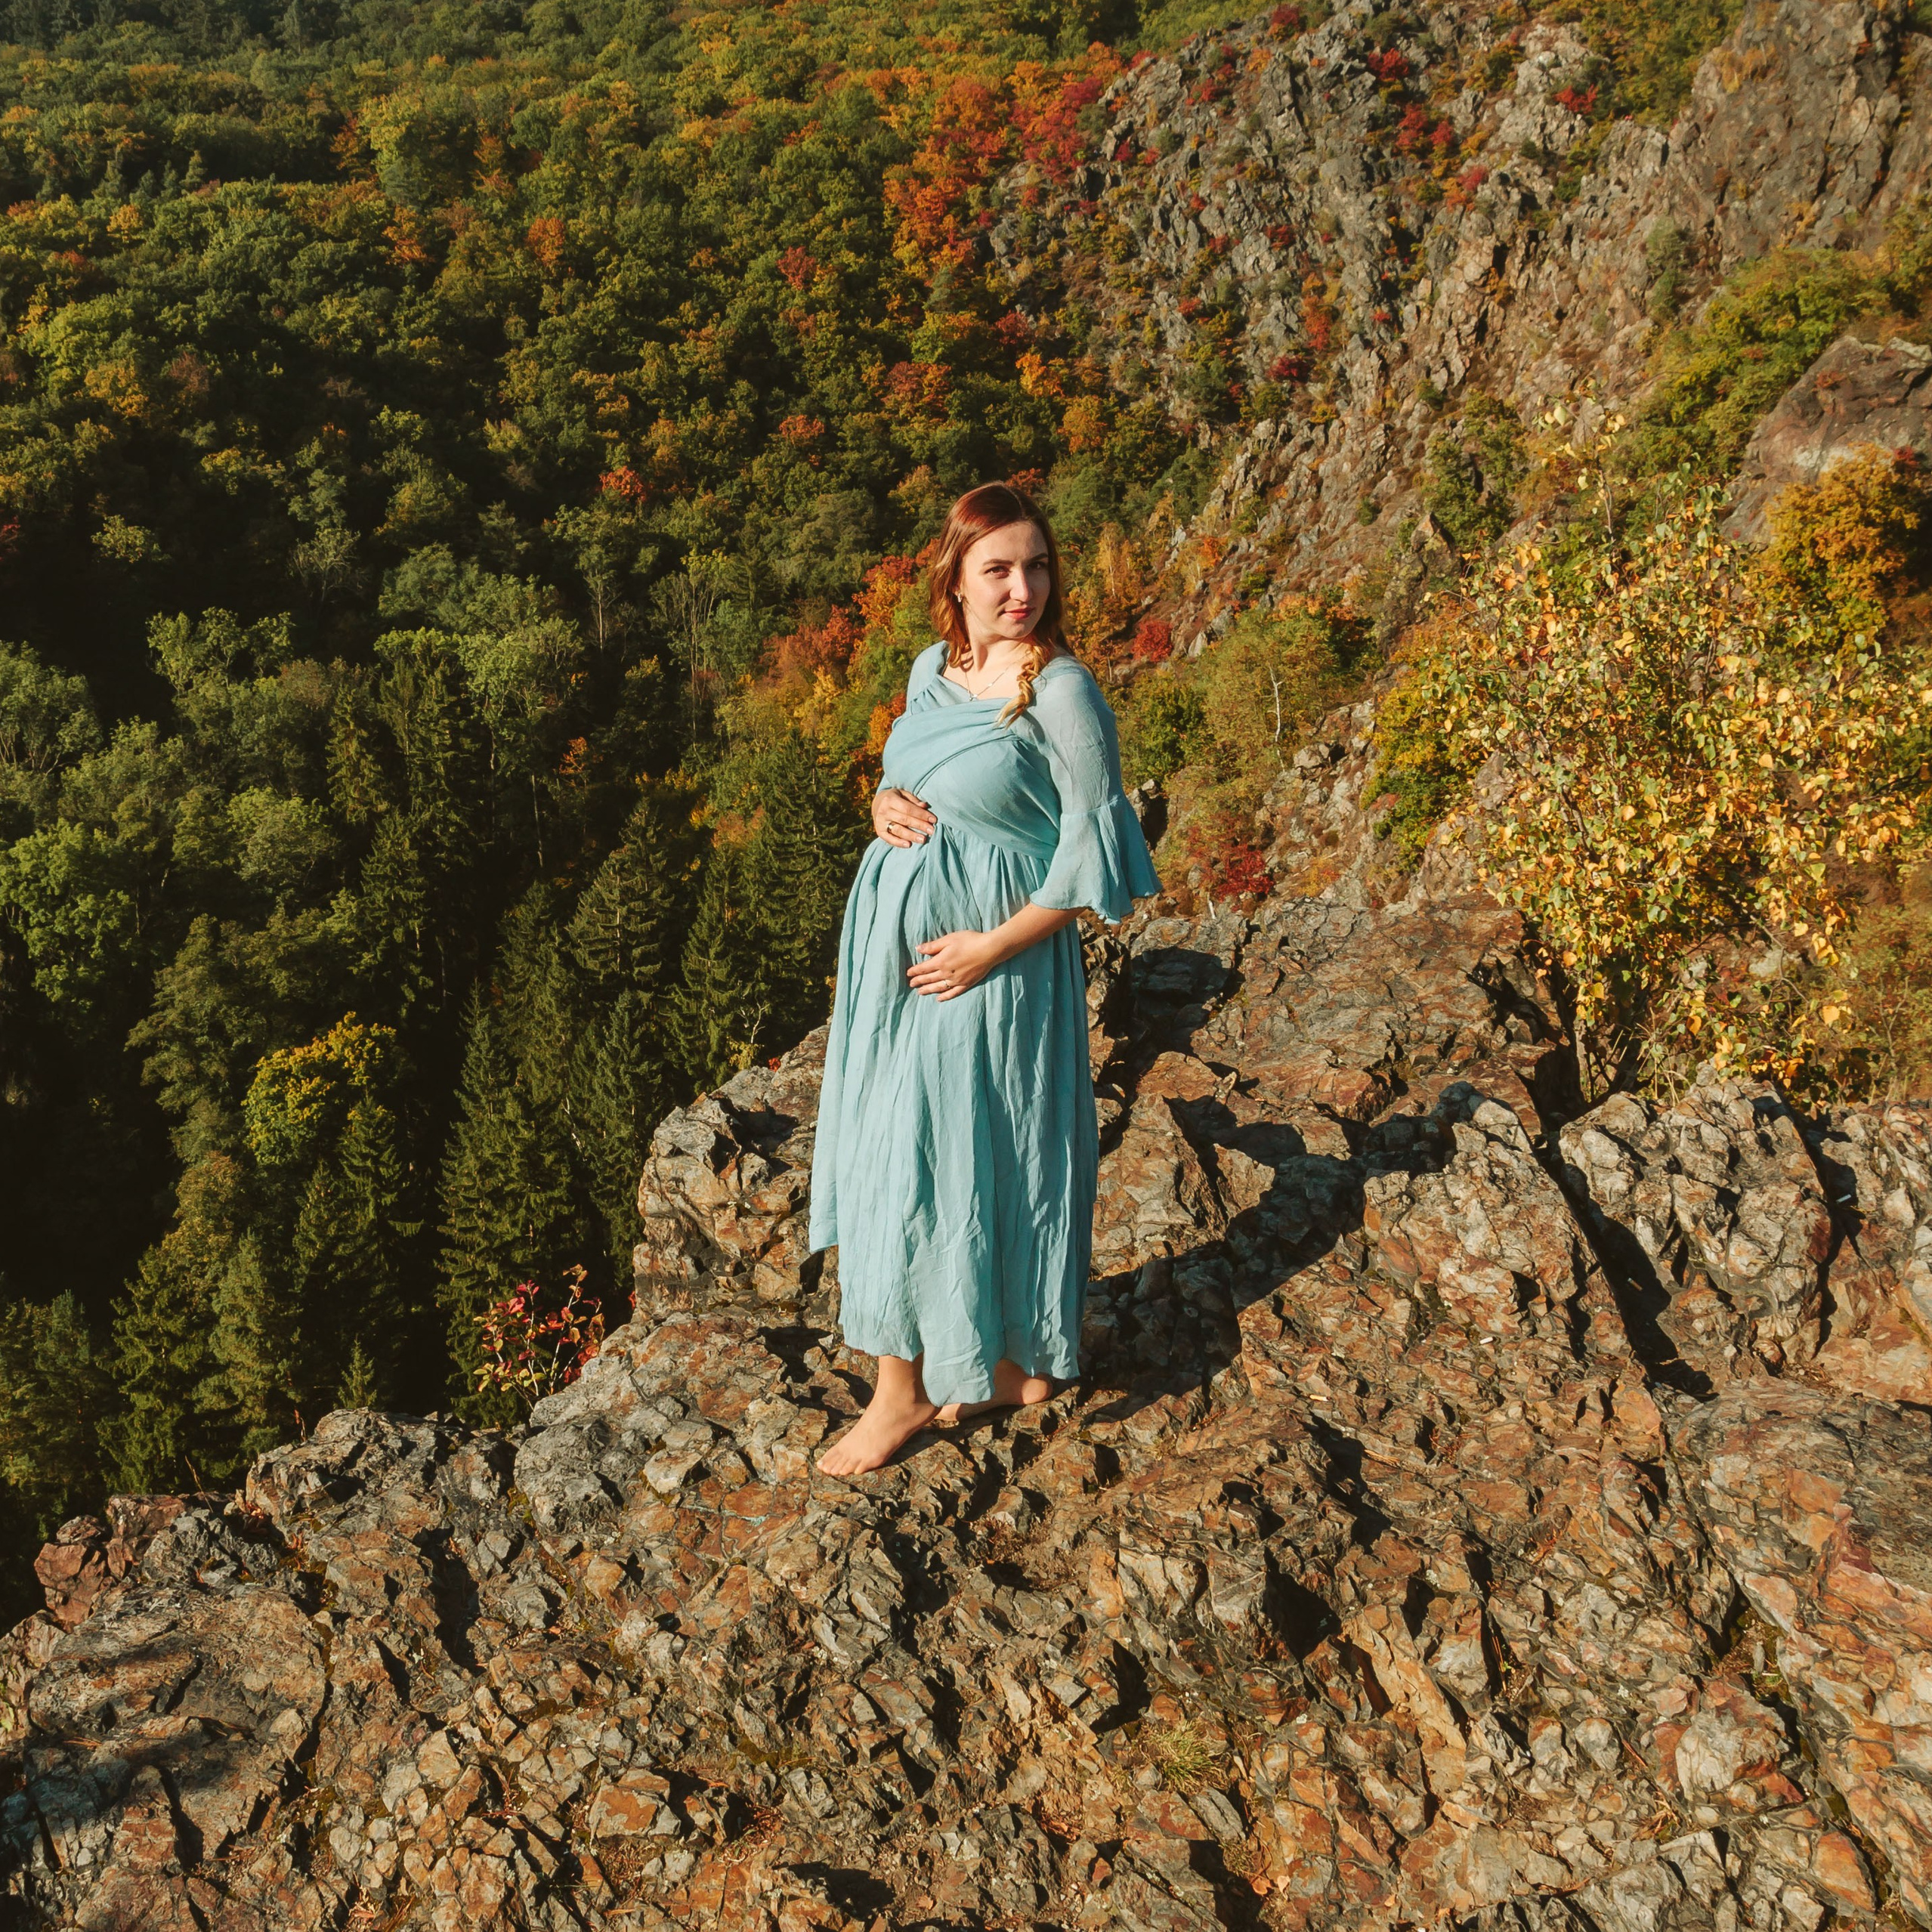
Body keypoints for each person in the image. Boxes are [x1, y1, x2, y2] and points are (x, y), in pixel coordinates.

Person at [808, 482, 1161, 1476]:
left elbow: (1095, 864)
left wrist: (988, 948)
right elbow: (907, 768)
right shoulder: (933, 669)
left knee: (926, 1163)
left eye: (1037, 565)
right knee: (953, 1153)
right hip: (902, 967)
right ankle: (1015, 1364)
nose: (1022, 588)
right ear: (954, 581)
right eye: (998, 568)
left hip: (988, 969)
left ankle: (901, 1395)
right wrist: (880, 799)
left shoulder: (1059, 691)